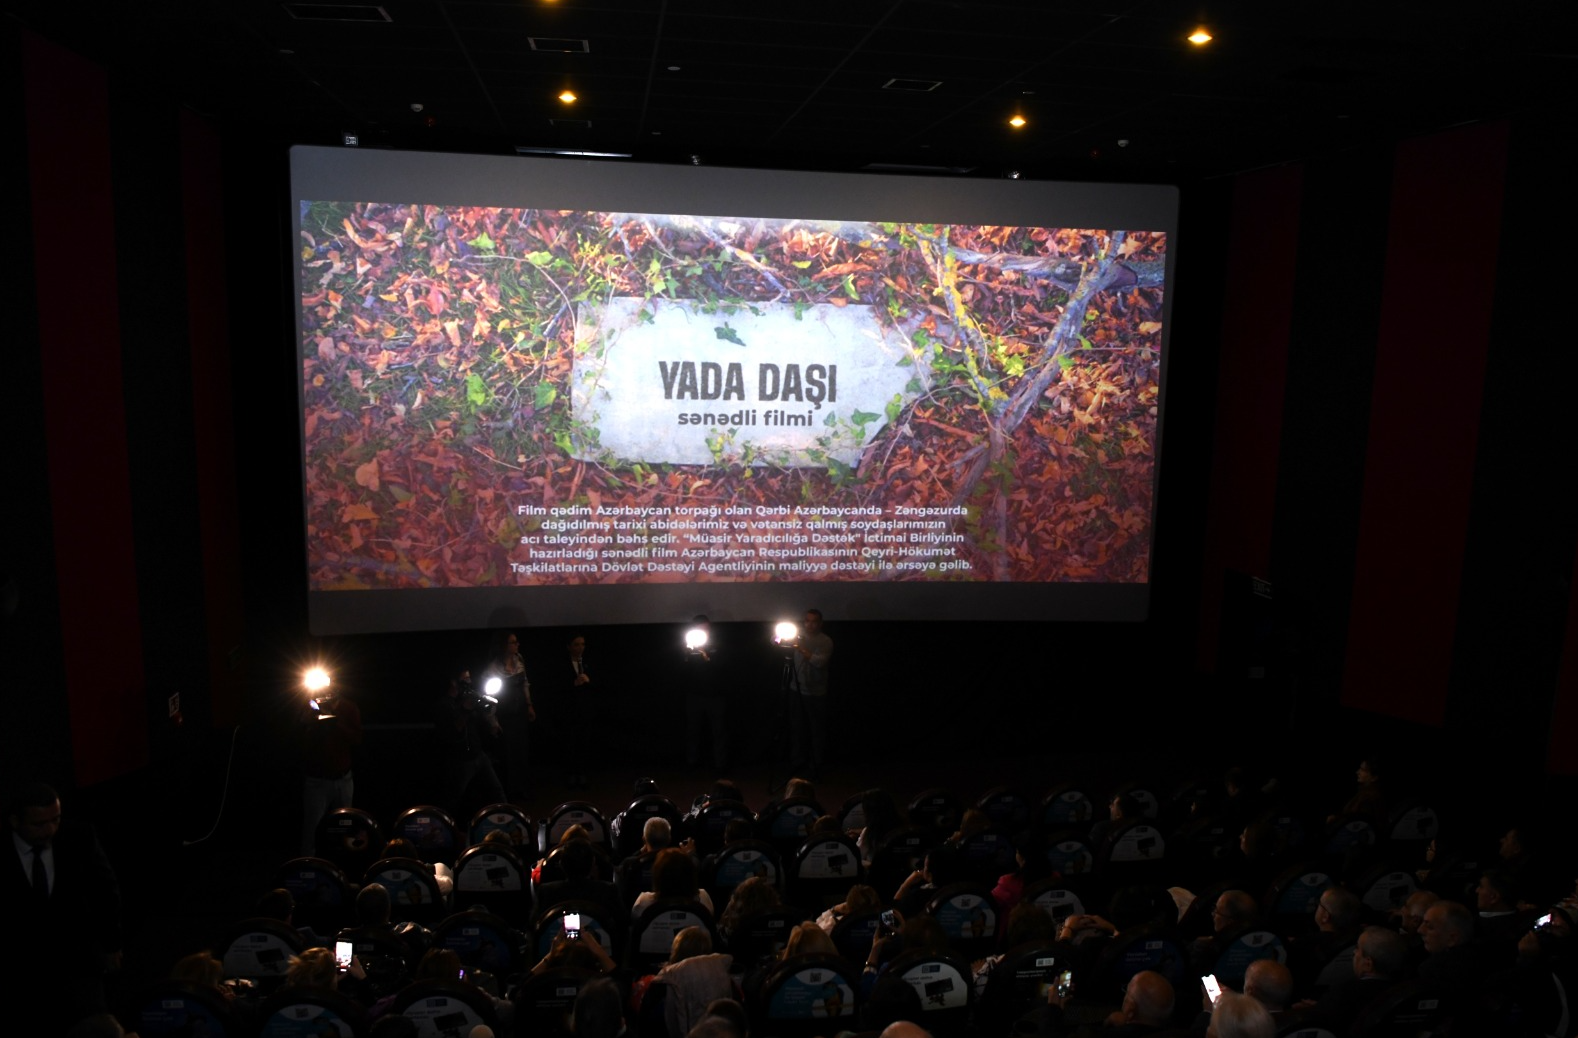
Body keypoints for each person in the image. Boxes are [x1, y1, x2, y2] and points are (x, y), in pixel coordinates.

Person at [2, 781, 123, 1028]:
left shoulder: (78, 837)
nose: (50, 830)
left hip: (78, 960)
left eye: (55, 820)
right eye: (39, 824)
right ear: (15, 821)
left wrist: (112, 943)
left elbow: (105, 890)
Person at [299, 682, 363, 855]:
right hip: (317, 780)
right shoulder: (310, 706)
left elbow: (357, 739)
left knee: (345, 824)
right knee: (312, 827)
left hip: (343, 778)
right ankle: (309, 862)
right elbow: (300, 733)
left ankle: (344, 860)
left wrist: (335, 722)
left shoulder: (348, 707)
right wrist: (311, 719)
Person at [433, 669, 506, 814]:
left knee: (497, 791)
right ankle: (444, 824)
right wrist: (466, 709)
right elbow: (454, 730)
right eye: (465, 679)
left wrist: (492, 723)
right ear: (454, 682)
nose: (469, 682)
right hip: (461, 760)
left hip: (478, 754)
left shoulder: (466, 698)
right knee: (452, 798)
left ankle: (508, 818)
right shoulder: (445, 705)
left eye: (469, 678)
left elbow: (482, 717)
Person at [491, 631, 535, 801]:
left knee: (522, 751)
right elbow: (490, 697)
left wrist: (529, 705)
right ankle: (511, 790)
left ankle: (523, 787)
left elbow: (525, 683)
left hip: (520, 712)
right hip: (506, 714)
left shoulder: (519, 660)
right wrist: (492, 720)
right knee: (508, 753)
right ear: (504, 645)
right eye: (513, 642)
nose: (517, 645)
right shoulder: (494, 667)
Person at [789, 608, 833, 777]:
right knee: (797, 729)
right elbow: (775, 641)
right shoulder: (798, 636)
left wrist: (800, 647)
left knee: (816, 731)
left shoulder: (825, 641)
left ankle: (816, 764)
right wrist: (783, 636)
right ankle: (797, 763)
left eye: (814, 621)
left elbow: (818, 662)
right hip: (797, 690)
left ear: (820, 624)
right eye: (807, 621)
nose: (810, 625)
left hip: (817, 693)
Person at [683, 615, 729, 770]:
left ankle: (720, 766)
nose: (704, 631)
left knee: (719, 732)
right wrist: (687, 654)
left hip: (716, 695)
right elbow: (682, 669)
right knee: (692, 731)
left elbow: (723, 666)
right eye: (700, 628)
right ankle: (692, 763)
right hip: (694, 694)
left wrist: (706, 655)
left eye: (706, 628)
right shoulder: (688, 643)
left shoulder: (717, 643)